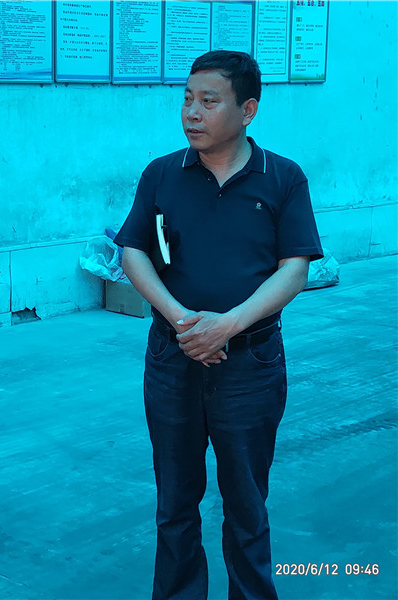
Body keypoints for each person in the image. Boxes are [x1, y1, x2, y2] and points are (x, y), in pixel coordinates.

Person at [114, 51, 322, 599]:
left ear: (247, 110)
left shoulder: (282, 177)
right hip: (173, 358)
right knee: (174, 503)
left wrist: (227, 325)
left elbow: (294, 269)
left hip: (250, 364)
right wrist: (185, 323)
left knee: (247, 504)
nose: (192, 113)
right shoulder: (162, 174)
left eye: (209, 101)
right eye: (187, 99)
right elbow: (133, 251)